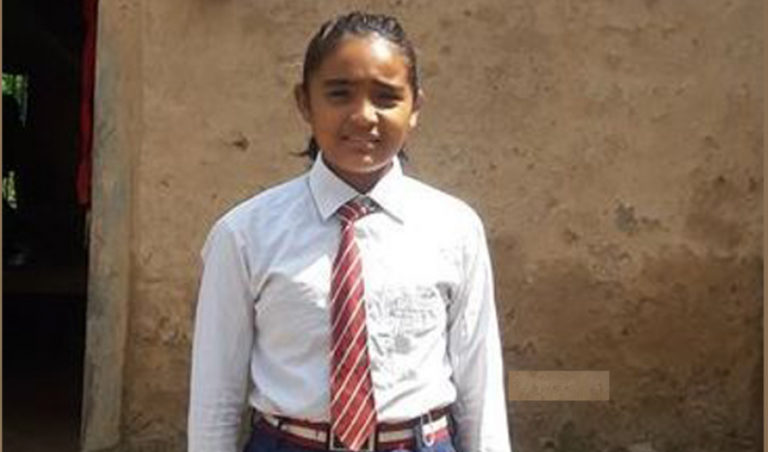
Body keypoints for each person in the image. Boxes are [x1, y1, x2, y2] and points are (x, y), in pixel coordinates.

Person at [188, 11, 511, 452]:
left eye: (386, 97)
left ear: (415, 107)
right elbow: (216, 396)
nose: (363, 116)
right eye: (339, 94)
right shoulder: (245, 234)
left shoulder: (454, 228)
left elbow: (480, 385)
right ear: (305, 103)